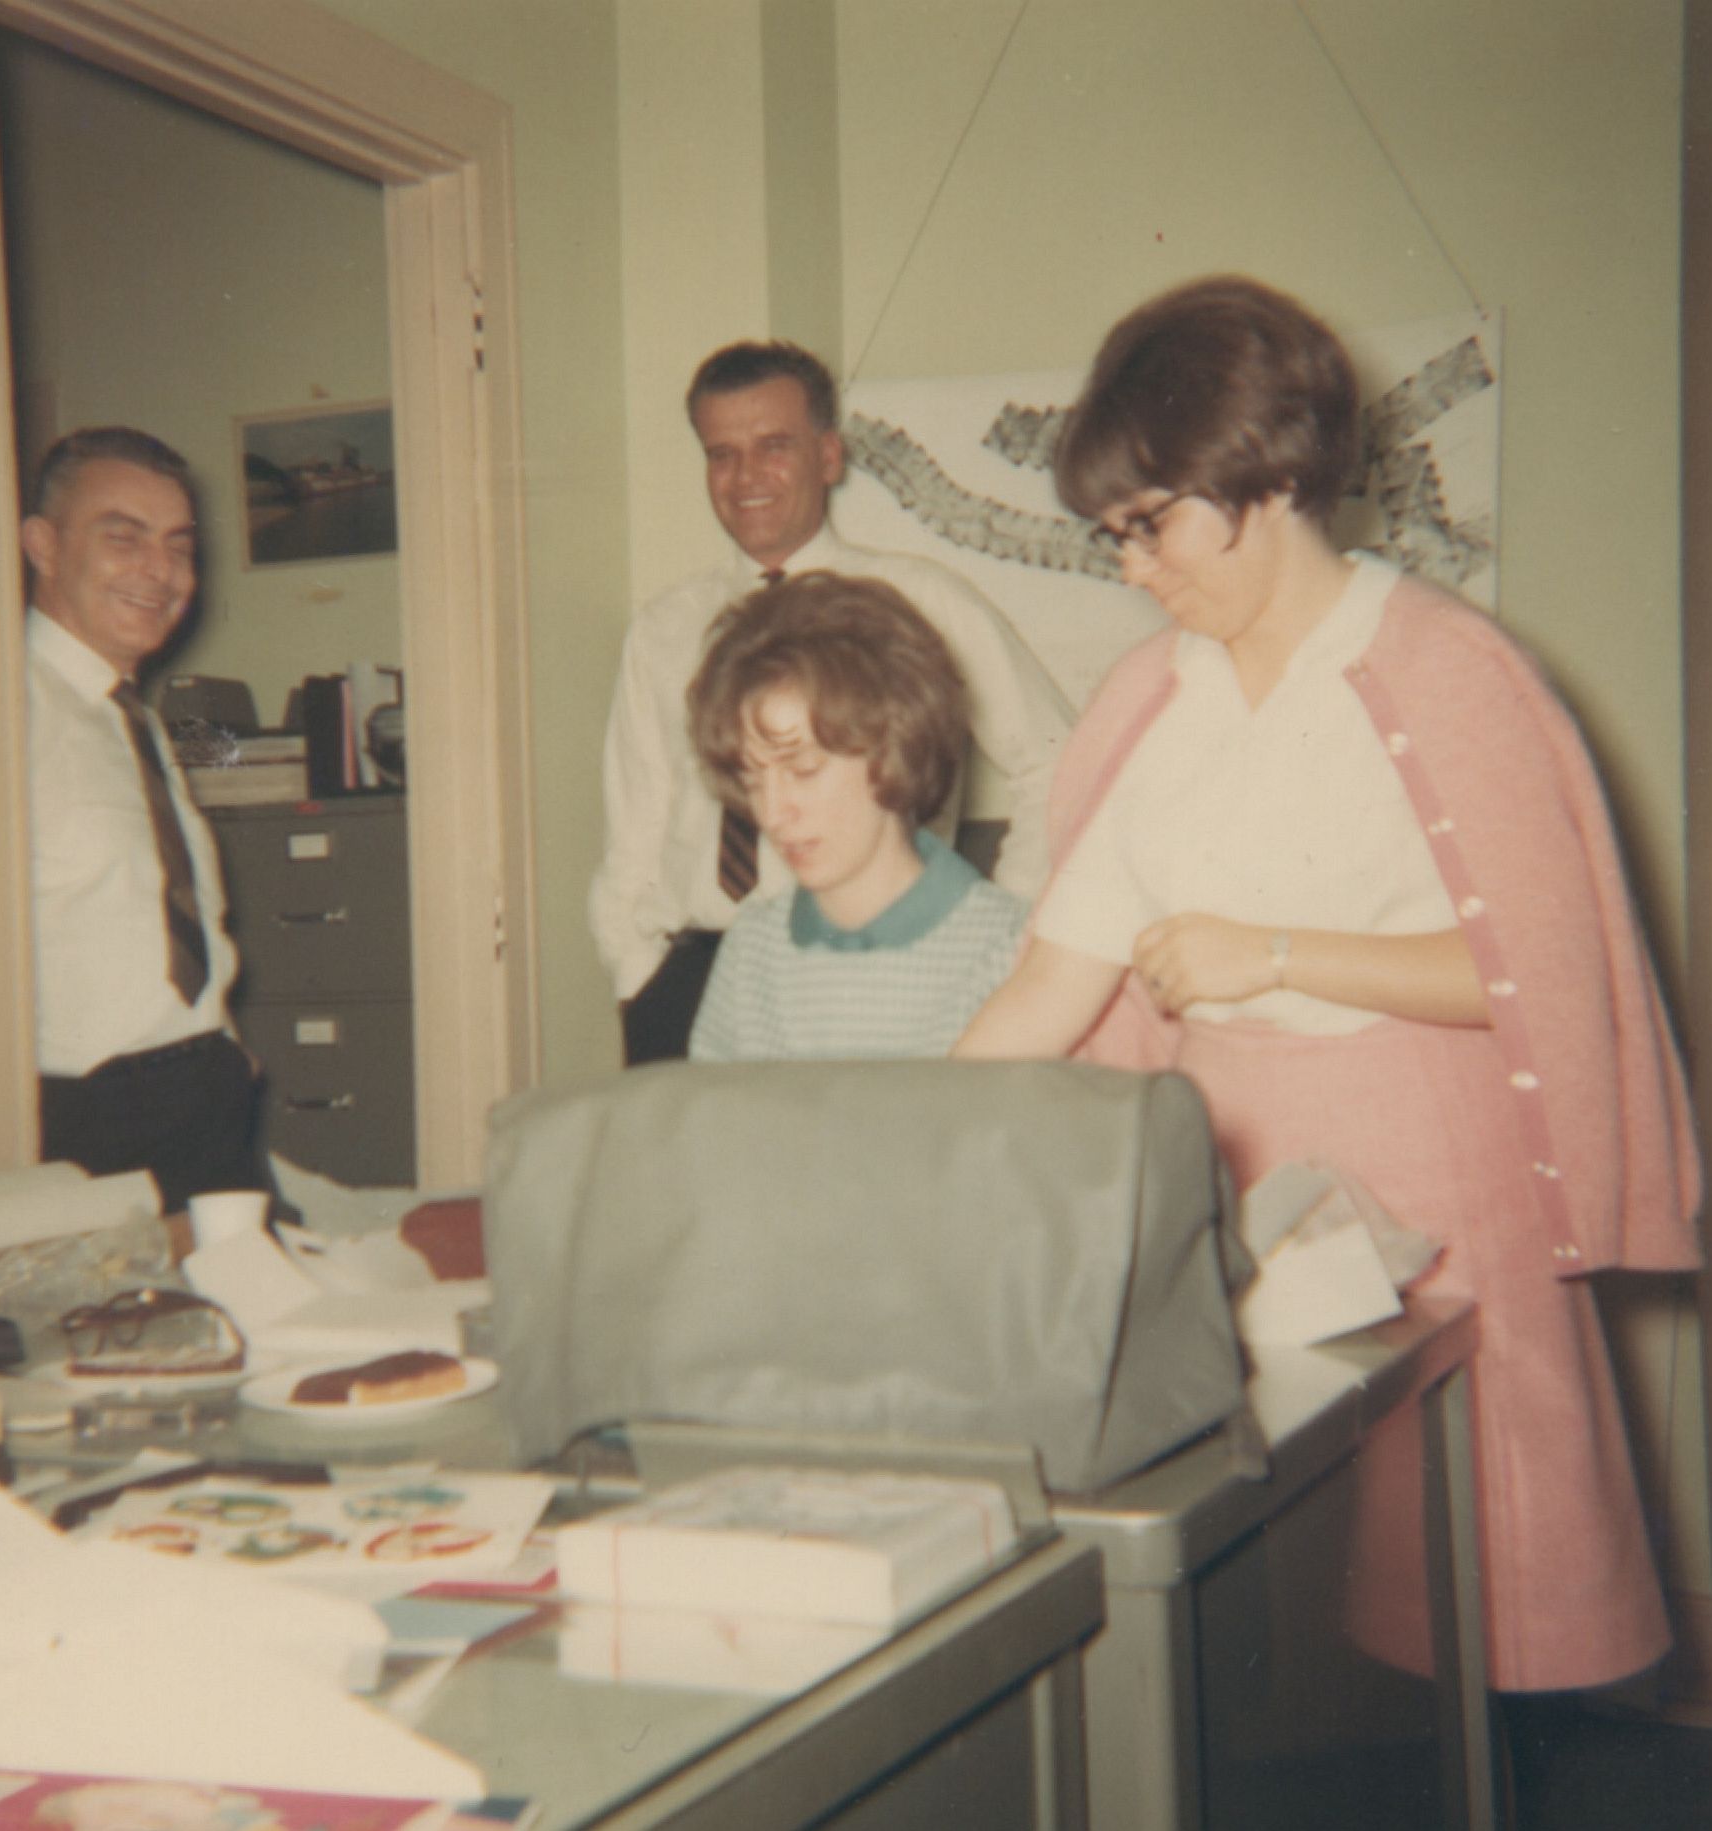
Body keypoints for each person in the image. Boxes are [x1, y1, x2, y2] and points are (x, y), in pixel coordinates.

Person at [955, 276, 1703, 1699]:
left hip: (1433, 1171)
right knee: (1280, 1620)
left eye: (1149, 522)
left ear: (1271, 479)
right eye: (1109, 532)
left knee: (1458, 1610)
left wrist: (1273, 951)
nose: (1129, 567)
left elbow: (1538, 982)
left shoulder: (1443, 667)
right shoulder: (1149, 700)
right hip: (1236, 1172)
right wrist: (911, 1142)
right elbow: (1054, 976)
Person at [589, 338, 1069, 1064]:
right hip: (688, 982)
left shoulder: (920, 601)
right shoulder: (663, 628)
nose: (745, 475)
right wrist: (637, 971)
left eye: (772, 445)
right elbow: (634, 822)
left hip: (868, 971)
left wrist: (1008, 920)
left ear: (828, 456)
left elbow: (1060, 762)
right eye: (721, 453)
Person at [24, 425, 265, 1211]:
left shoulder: (139, 721)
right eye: (123, 538)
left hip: (204, 1101)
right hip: (88, 1124)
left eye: (178, 545)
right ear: (43, 545)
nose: (160, 571)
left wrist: (224, 1047)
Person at [684, 572, 1026, 1062]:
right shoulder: (753, 948)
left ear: (892, 751)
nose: (773, 814)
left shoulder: (1006, 947)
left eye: (803, 770)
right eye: (754, 780)